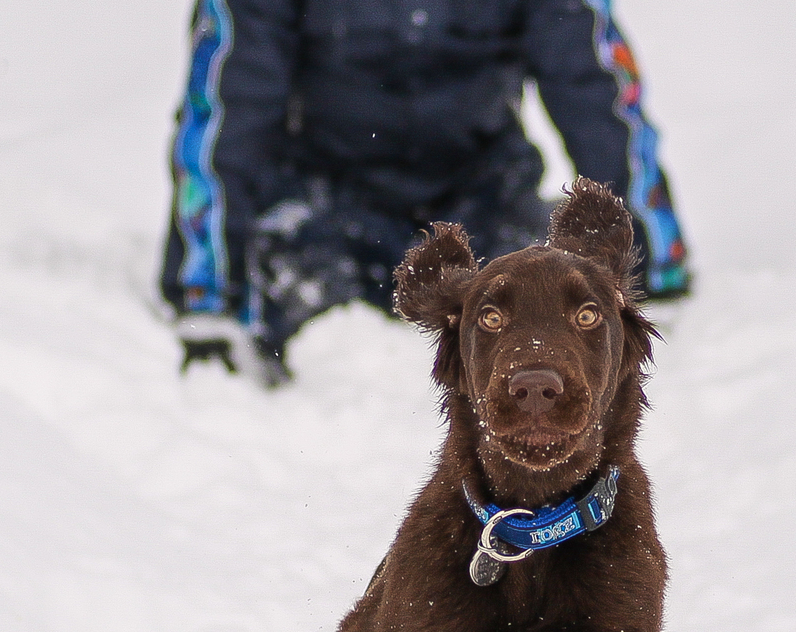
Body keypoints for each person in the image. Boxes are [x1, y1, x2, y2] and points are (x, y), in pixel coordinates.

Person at [159, 0, 692, 385]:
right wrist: (206, 291)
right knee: (307, 320)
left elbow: (596, 96)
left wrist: (644, 258)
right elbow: (229, 110)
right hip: (325, 203)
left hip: (481, 200)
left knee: (540, 311)